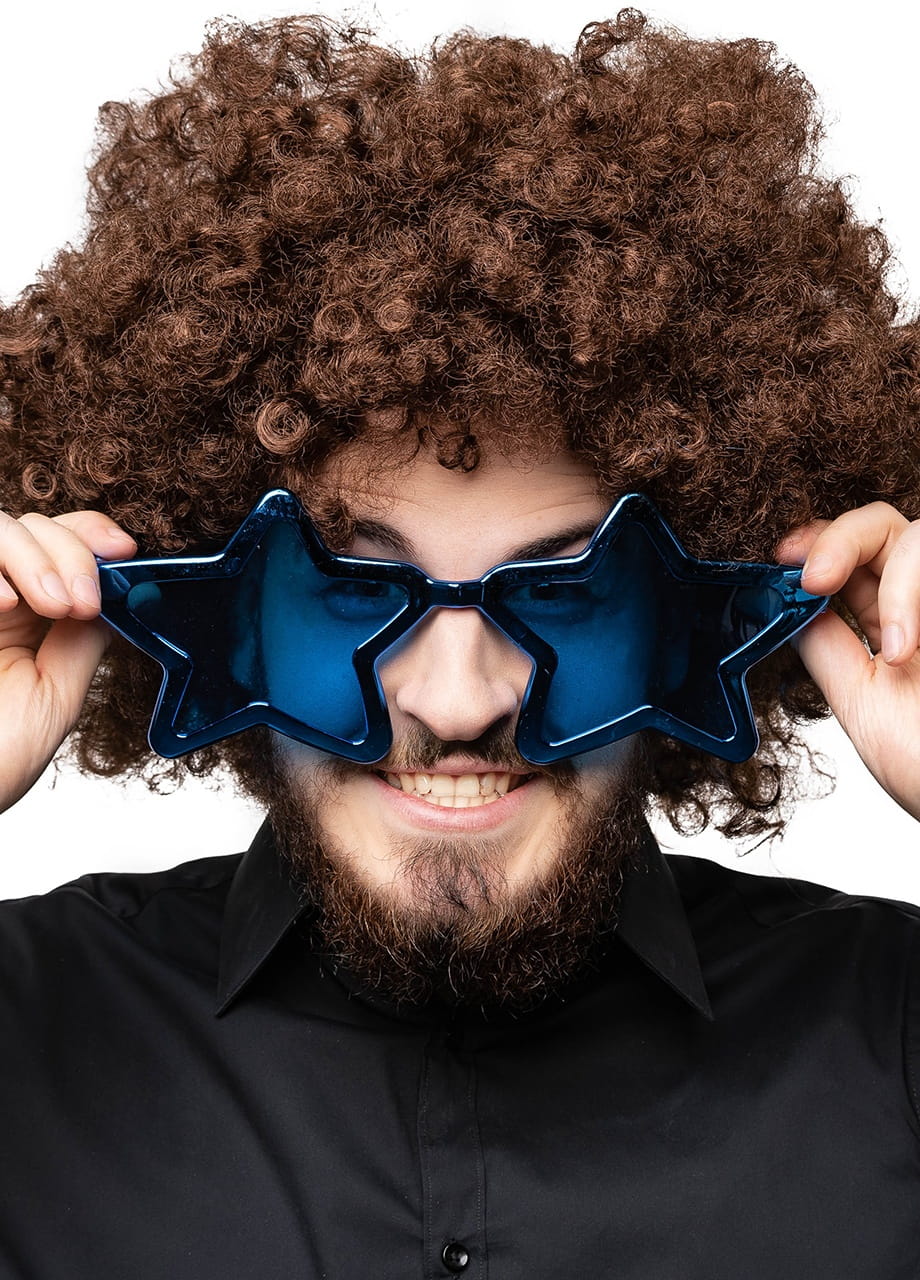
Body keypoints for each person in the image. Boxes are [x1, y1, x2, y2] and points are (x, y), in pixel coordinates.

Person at [1, 11, 920, 1275]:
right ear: (225, 605)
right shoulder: (26, 1020)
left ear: (686, 609)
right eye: (349, 583)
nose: (457, 699)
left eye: (565, 588)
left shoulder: (889, 1029)